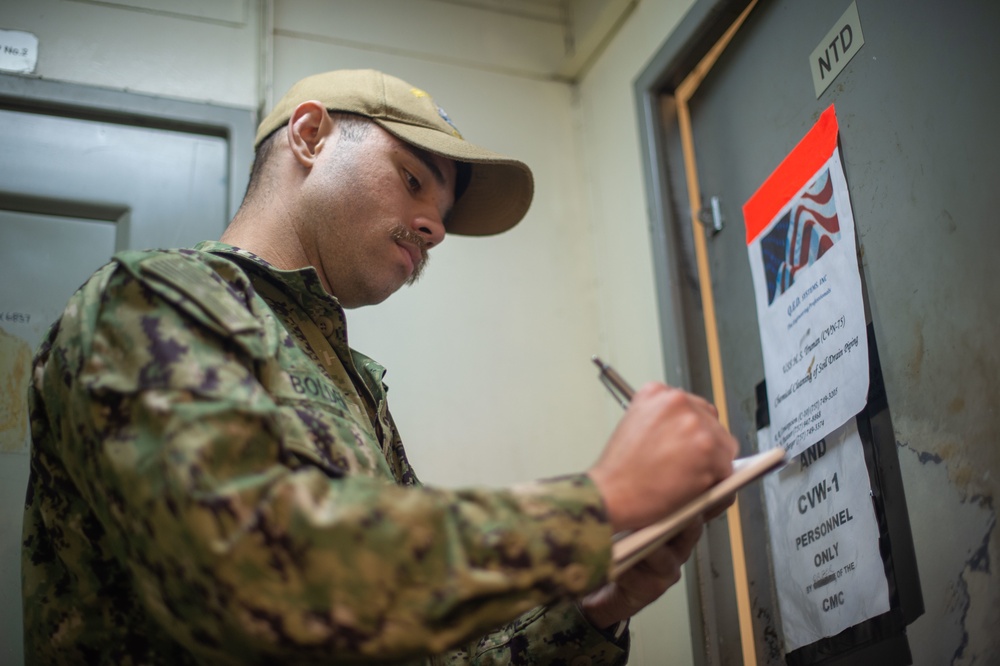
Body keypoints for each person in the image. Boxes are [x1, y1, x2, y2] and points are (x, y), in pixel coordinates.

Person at [22, 69, 738, 664]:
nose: (434, 226)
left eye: (444, 213)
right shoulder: (148, 302)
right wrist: (596, 505)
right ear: (310, 135)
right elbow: (256, 580)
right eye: (413, 179)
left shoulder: (348, 379)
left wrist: (589, 609)